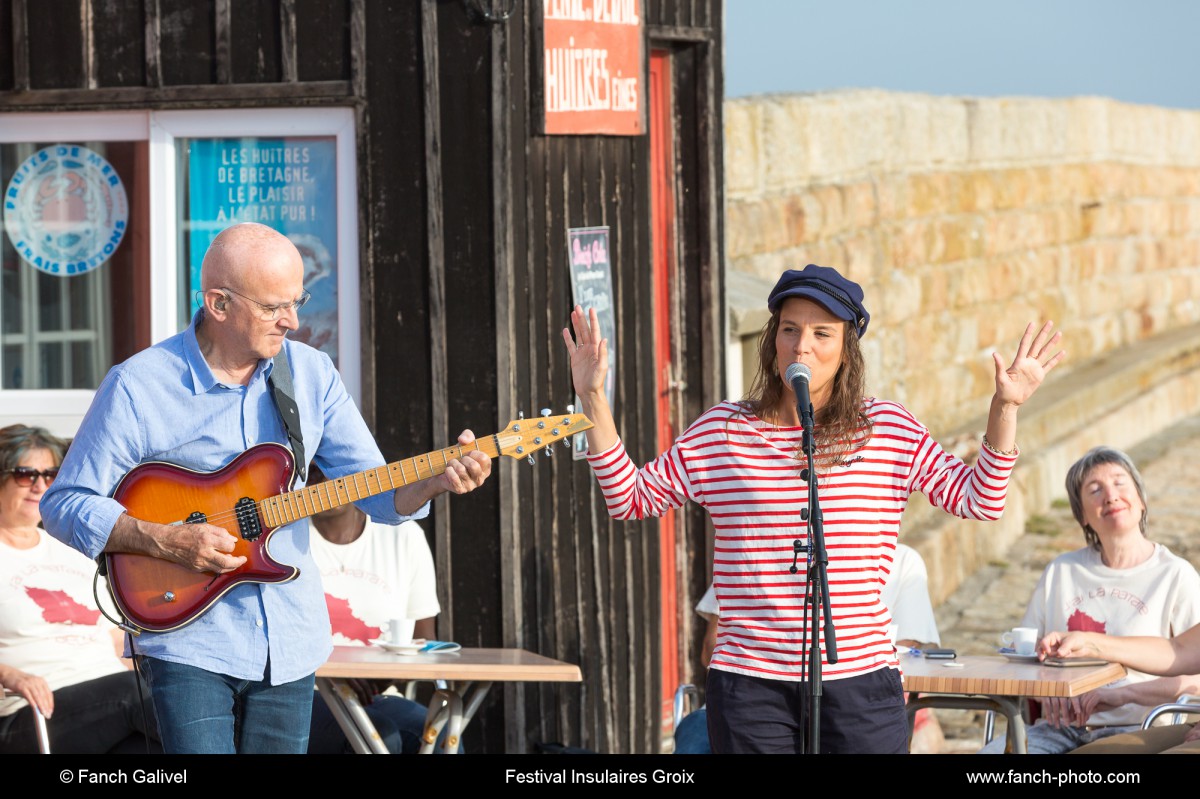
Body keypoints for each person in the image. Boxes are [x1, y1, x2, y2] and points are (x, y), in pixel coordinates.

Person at [564, 262, 1063, 754]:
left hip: (861, 682)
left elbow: (980, 499)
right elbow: (631, 497)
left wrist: (1005, 409)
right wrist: (592, 398)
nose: (802, 345)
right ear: (772, 341)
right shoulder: (724, 431)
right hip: (750, 684)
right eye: (789, 329)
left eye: (822, 333)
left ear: (846, 349)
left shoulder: (887, 427)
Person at [40, 223, 492, 754]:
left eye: (298, 301)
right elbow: (63, 503)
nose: (293, 320)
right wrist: (162, 540)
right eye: (274, 306)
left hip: (292, 639)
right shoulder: (138, 385)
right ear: (219, 303)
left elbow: (372, 488)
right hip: (188, 640)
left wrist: (433, 482)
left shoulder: (312, 373)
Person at [977, 446, 1200, 754]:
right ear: (1081, 515)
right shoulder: (1061, 571)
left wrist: (1127, 694)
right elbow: (1022, 656)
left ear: (1142, 499)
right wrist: (1045, 689)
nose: (1110, 496)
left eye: (1120, 483)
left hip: (1139, 725)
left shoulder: (1175, 574)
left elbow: (1193, 677)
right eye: (1095, 490)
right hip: (1057, 727)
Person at [673, 542, 944, 754]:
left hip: (852, 703)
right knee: (696, 736)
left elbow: (907, 647)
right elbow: (711, 649)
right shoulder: (751, 543)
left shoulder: (902, 558)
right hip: (750, 700)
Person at [0, 425, 160, 753]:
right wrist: (10, 676)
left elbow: (119, 641)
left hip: (115, 704)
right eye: (24, 474)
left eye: (50, 474)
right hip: (31, 712)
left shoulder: (72, 548)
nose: (39, 486)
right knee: (143, 699)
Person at [305, 464, 448, 754]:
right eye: (310, 468)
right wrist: (331, 671)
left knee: (441, 735)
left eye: (330, 465)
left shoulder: (403, 537)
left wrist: (383, 674)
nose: (322, 478)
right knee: (380, 736)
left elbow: (423, 640)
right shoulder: (282, 540)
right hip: (306, 692)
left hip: (376, 693)